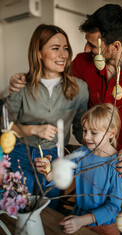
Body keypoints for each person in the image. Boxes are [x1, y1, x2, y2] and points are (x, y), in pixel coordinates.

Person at [8, 4, 122, 235]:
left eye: (92, 44)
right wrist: (23, 78)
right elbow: (55, 76)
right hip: (89, 162)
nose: (85, 48)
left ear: (115, 46)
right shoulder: (82, 63)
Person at [6, 24, 89, 209]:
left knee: (49, 208)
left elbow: (80, 128)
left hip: (54, 156)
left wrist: (99, 147)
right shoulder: (20, 85)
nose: (63, 54)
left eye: (65, 48)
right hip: (20, 152)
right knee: (19, 207)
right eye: (55, 48)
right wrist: (33, 129)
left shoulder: (80, 88)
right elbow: (5, 126)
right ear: (38, 53)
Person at [35, 103, 122, 235]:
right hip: (77, 218)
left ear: (112, 133)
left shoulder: (119, 164)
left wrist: (82, 220)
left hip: (105, 227)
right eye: (85, 130)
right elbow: (59, 176)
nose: (87, 137)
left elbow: (113, 207)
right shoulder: (80, 154)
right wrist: (47, 171)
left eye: (94, 132)